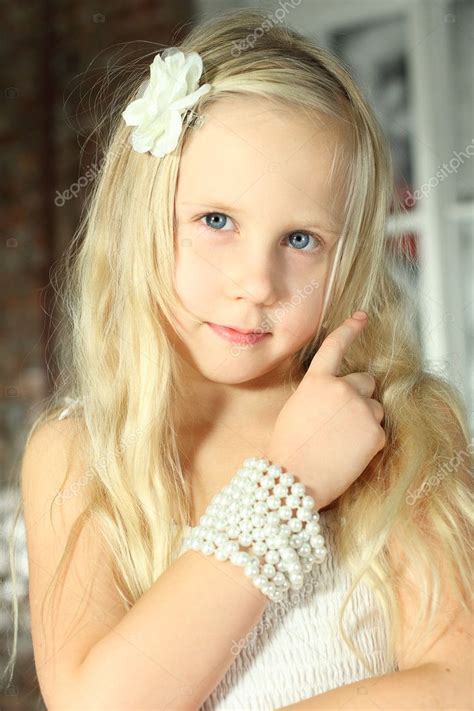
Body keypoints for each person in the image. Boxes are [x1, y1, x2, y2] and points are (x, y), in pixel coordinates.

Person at [5, 9, 472, 710]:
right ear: (142, 218)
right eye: (216, 221)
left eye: (302, 239)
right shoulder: (78, 454)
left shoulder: (399, 426)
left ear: (347, 260)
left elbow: (457, 680)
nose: (257, 282)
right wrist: (287, 484)